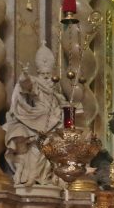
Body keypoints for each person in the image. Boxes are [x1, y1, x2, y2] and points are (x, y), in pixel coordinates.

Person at [4, 44, 67, 186]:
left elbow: (61, 102)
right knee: (35, 146)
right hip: (38, 115)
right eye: (43, 74)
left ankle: (44, 176)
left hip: (54, 117)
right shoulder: (36, 82)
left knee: (51, 145)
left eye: (48, 74)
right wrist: (25, 74)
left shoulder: (56, 87)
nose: (46, 77)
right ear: (38, 73)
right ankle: (32, 176)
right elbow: (26, 84)